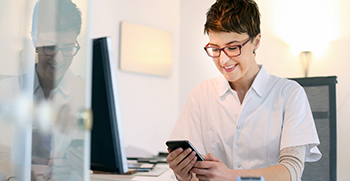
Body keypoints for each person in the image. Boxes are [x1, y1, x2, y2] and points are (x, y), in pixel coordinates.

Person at [166, 0, 321, 181]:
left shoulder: (289, 94)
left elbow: (291, 171)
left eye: (232, 47)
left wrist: (231, 176)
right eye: (215, 49)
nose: (223, 60)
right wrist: (183, 175)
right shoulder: (201, 94)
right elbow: (195, 175)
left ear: (256, 41)